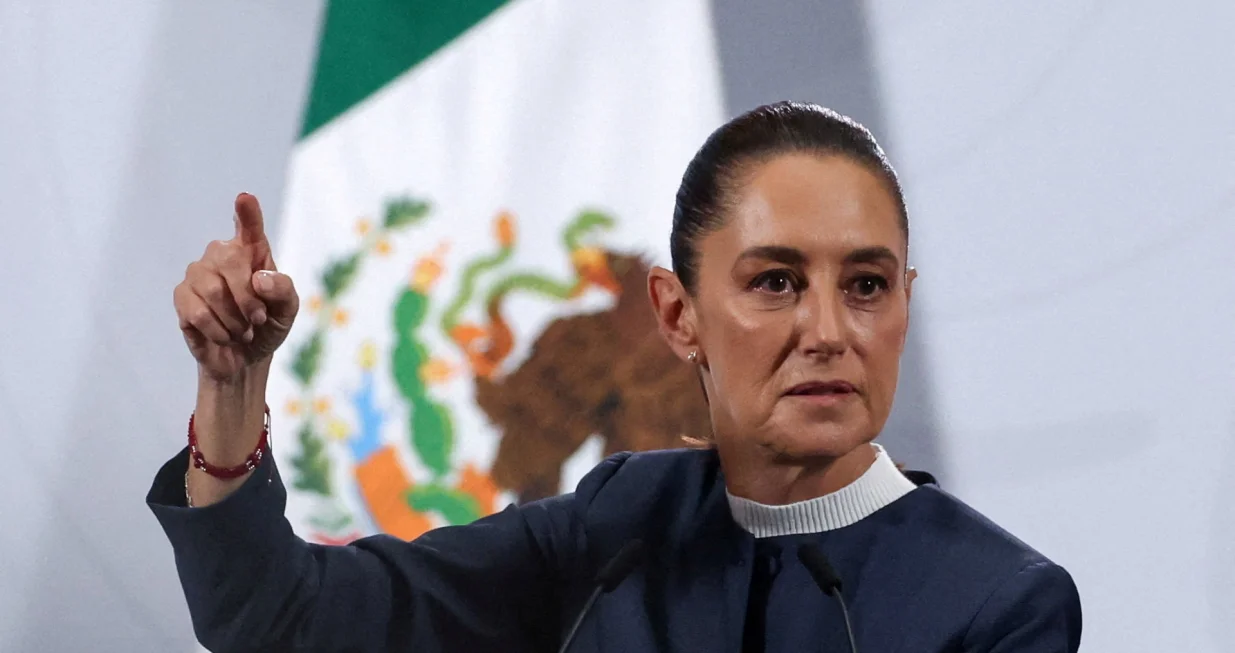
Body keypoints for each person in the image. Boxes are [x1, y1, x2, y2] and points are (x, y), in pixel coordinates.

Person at [149, 101, 1082, 652]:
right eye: (775, 282)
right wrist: (233, 392)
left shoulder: (998, 603)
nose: (829, 331)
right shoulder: (619, 524)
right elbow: (279, 620)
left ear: (906, 303)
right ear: (677, 315)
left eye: (867, 285)